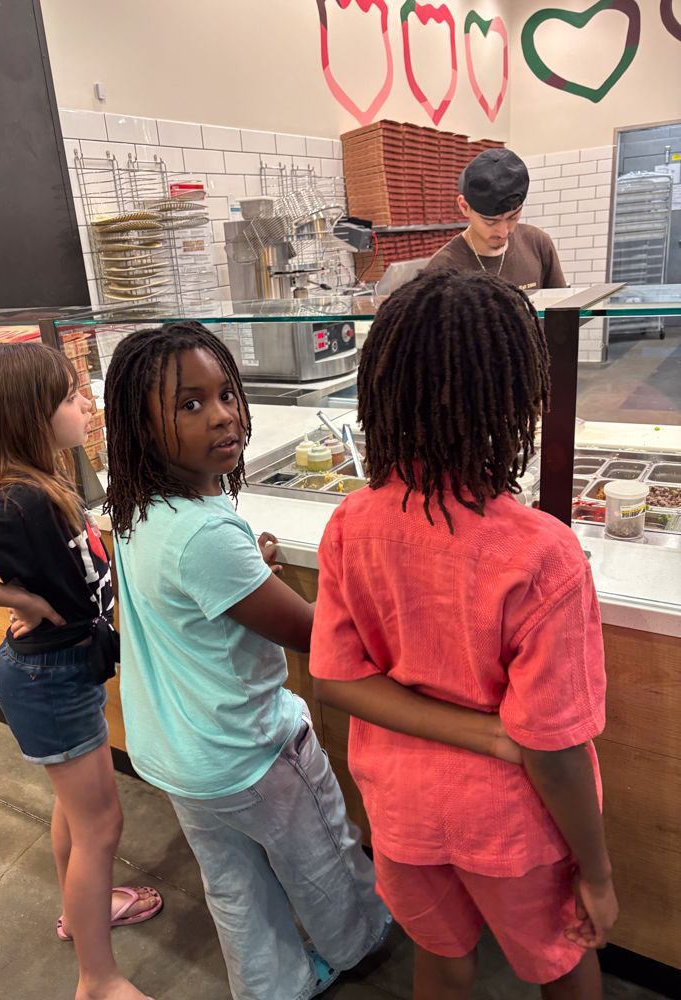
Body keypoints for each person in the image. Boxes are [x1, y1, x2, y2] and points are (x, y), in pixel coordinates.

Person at [102, 321, 523, 1000]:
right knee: (324, 856)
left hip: (177, 754)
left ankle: (274, 988)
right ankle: (357, 944)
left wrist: (250, 573)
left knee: (235, 886)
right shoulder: (208, 534)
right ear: (140, 425)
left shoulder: (139, 507)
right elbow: (315, 636)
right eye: (190, 404)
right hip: (250, 751)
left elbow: (187, 593)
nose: (222, 416)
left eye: (225, 395)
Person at [309, 270, 617, 1000]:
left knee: (441, 959)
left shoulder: (351, 523)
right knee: (564, 958)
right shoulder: (543, 555)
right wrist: (598, 875)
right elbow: (555, 747)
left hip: (401, 812)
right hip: (511, 828)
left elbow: (336, 678)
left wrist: (478, 735)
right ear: (516, 397)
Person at [0, 343, 161, 1000]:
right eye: (69, 397)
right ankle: (98, 979)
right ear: (28, 415)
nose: (84, 404)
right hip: (49, 680)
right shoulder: (18, 502)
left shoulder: (43, 483)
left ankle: (80, 908)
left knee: (78, 813)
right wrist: (17, 598)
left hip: (67, 673)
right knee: (101, 824)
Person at [425, 147, 567, 290]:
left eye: (513, 217)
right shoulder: (441, 270)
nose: (503, 232)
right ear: (464, 207)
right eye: (490, 222)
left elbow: (563, 309)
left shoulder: (538, 243)